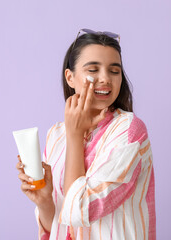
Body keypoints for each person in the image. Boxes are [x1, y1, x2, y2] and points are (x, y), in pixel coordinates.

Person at [16, 29, 156, 240]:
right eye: (93, 69)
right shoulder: (56, 135)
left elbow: (79, 210)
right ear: (70, 77)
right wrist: (44, 202)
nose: (105, 79)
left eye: (114, 71)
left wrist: (75, 135)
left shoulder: (129, 131)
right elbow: (57, 227)